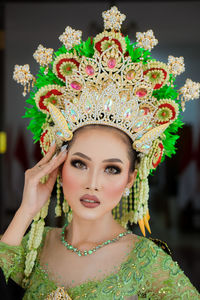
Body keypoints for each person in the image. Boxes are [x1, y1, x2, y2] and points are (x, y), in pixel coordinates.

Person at [0, 6, 200, 300]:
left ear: (131, 179)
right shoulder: (35, 244)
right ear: (59, 165)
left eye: (112, 169)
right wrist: (26, 211)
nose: (92, 183)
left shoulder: (147, 260)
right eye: (80, 163)